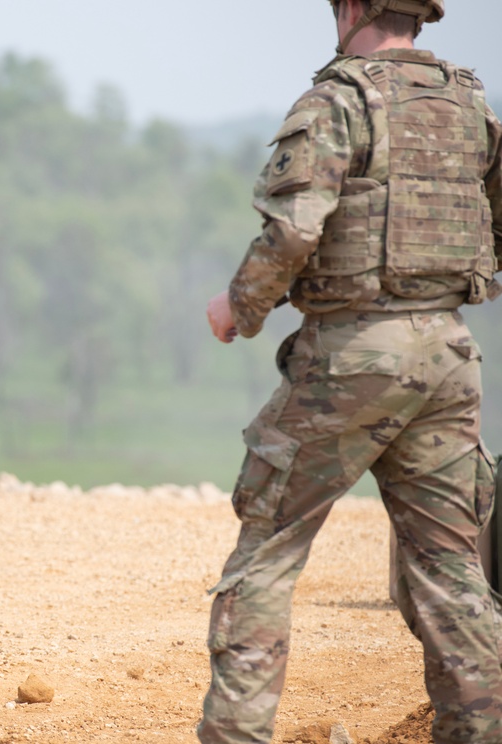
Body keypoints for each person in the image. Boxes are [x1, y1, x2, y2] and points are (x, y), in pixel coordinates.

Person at [202, 1, 502, 742]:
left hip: (353, 357)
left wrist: (241, 305)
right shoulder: (471, 104)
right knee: (453, 572)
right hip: (449, 357)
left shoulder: (339, 98)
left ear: (355, 9)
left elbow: (297, 227)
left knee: (265, 556)